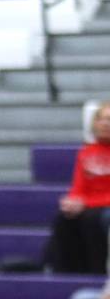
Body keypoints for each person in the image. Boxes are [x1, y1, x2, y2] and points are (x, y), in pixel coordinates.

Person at [44, 102, 110, 274]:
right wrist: (72, 201)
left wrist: (86, 202)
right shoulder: (86, 152)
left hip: (102, 206)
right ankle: (64, 272)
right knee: (64, 218)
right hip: (91, 204)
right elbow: (78, 187)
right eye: (101, 119)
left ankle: (96, 272)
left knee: (93, 219)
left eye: (109, 120)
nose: (105, 124)